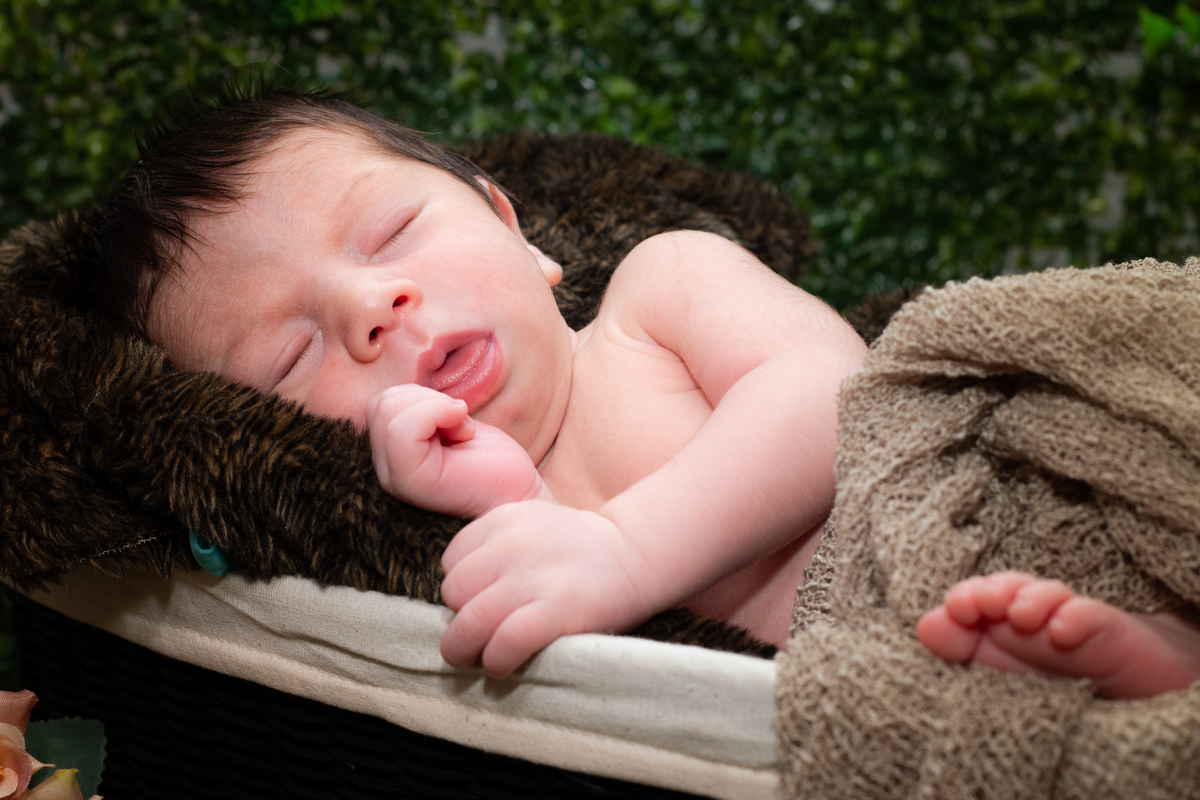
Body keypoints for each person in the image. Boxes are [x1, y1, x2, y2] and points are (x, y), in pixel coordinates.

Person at [88, 85, 1200, 697]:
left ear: (514, 231)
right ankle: (1140, 671)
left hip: (979, 497)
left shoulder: (658, 294)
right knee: (998, 661)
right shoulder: (439, 516)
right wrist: (497, 491)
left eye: (393, 232)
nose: (373, 307)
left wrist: (623, 547)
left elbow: (831, 394)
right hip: (897, 650)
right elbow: (535, 593)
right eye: (291, 357)